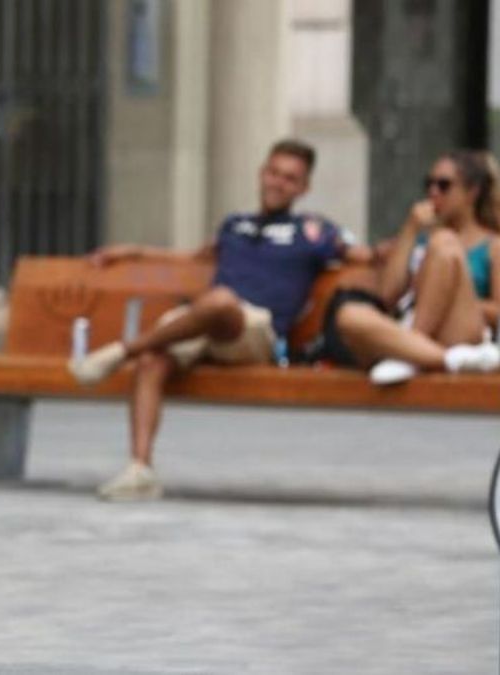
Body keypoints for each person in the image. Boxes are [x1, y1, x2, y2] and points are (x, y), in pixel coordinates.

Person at [69, 139, 369, 501]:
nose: (278, 183)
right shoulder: (235, 225)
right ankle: (140, 469)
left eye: (290, 179)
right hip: (207, 322)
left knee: (222, 301)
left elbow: (366, 257)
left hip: (256, 330)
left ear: (303, 188)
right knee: (155, 357)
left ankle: (120, 352)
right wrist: (132, 250)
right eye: (273, 173)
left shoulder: (315, 231)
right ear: (261, 173)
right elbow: (192, 258)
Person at [325, 150, 500, 384]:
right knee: (349, 316)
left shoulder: (493, 245)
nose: (433, 192)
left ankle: (411, 352)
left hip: (460, 327)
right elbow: (387, 295)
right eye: (429, 184)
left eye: (444, 185)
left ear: (472, 192)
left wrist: (441, 292)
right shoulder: (420, 241)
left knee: (444, 243)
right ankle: (440, 358)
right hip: (419, 328)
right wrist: (410, 229)